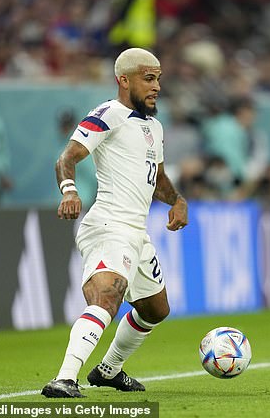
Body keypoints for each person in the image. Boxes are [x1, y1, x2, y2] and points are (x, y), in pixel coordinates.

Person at [41, 48, 188, 398]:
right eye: (148, 78)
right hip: (109, 225)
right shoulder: (108, 114)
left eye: (159, 79)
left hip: (137, 232)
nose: (157, 86)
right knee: (108, 296)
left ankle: (109, 370)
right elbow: (68, 157)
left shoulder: (154, 126)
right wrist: (69, 191)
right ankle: (64, 378)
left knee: (155, 309)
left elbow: (158, 177)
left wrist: (178, 200)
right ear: (124, 80)